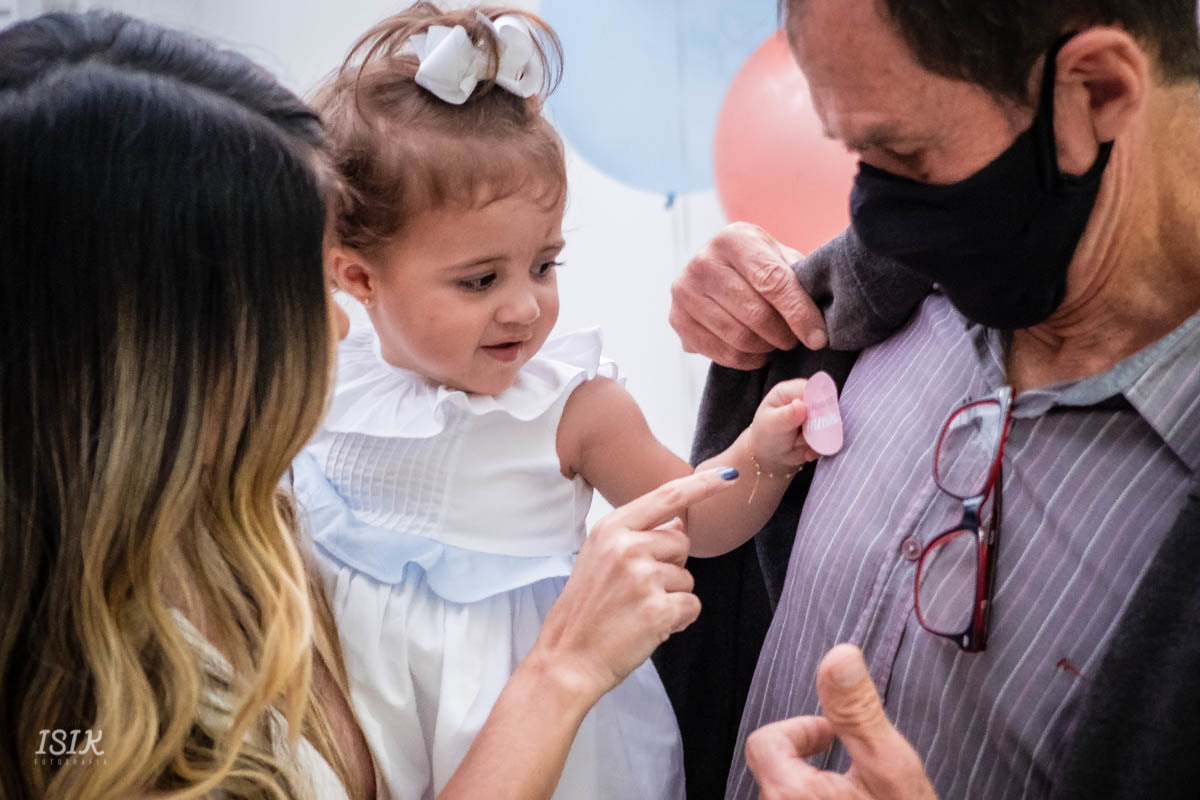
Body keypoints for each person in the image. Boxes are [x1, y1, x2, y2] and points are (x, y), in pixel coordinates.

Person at [0, 9, 743, 799]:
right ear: (162, 346)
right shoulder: (80, 721)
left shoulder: (256, 526)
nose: (337, 325)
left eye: (544, 265)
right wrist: (563, 670)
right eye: (298, 289)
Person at [295, 4, 834, 798]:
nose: (524, 306)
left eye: (544, 265)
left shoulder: (573, 410)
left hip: (536, 721)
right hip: (365, 707)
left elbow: (692, 519)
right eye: (481, 280)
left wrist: (760, 456)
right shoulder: (331, 380)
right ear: (359, 277)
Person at [666, 1, 1200, 798]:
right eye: (858, 154)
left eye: (905, 153)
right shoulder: (865, 315)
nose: (877, 216)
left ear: (1096, 90)